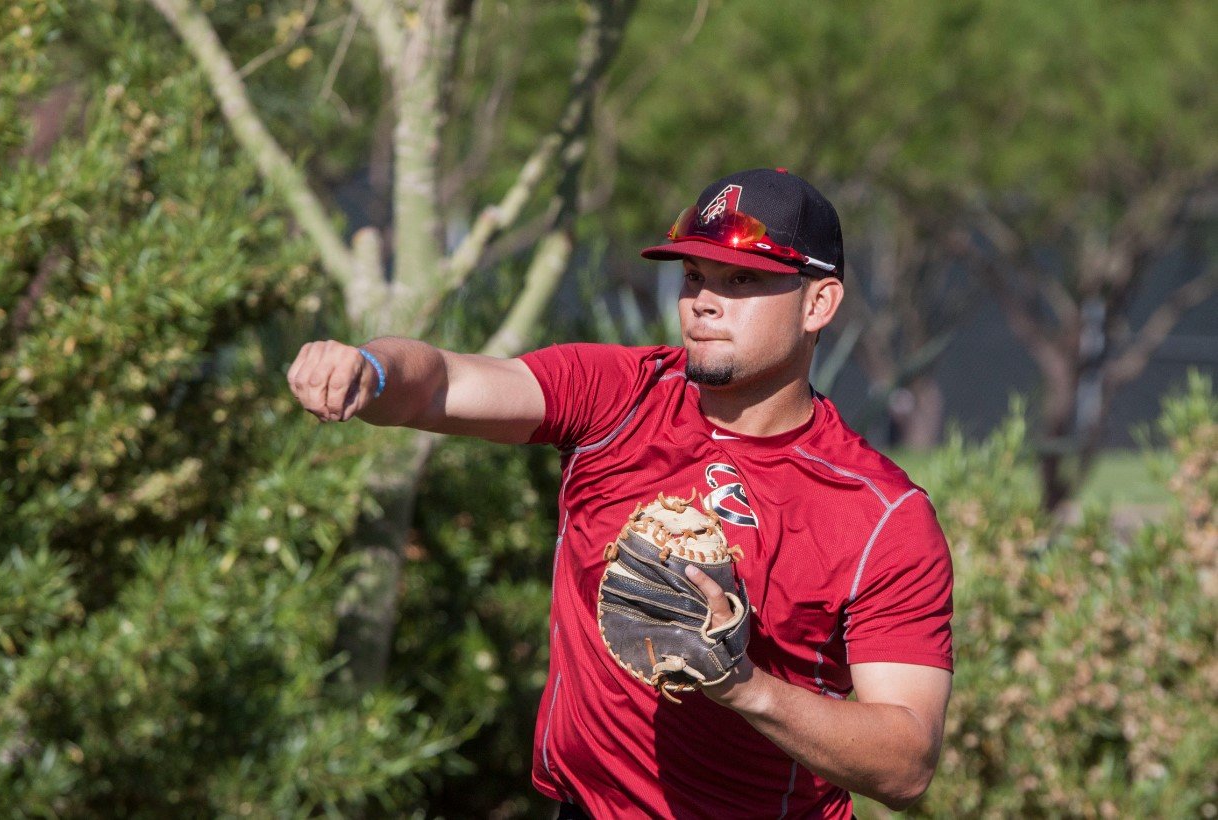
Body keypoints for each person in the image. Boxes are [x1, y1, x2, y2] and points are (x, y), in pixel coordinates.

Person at [287, 168, 954, 819]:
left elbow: (907, 764)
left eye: (742, 280)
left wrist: (744, 686)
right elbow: (438, 385)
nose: (703, 303)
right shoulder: (619, 398)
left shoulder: (881, 517)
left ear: (819, 304)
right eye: (695, 276)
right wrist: (368, 370)